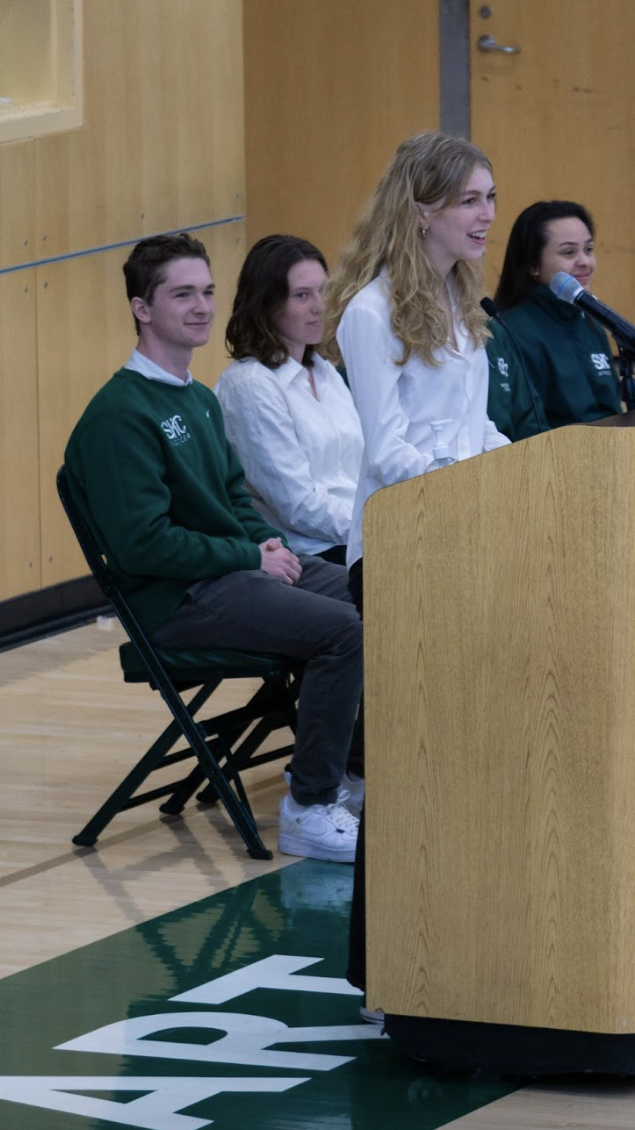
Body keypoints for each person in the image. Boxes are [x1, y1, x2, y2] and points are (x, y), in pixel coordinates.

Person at [64, 233, 362, 863]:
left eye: (206, 292)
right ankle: (310, 807)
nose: (200, 306)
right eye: (181, 294)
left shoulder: (197, 399)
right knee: (341, 629)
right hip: (177, 602)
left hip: (233, 577)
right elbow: (143, 546)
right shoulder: (120, 414)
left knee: (375, 591)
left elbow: (235, 501)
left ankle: (349, 774)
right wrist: (249, 557)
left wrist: (266, 546)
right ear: (143, 308)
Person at [321, 131, 511, 994]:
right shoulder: (370, 312)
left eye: (490, 197)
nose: (487, 215)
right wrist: (473, 478)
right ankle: (384, 966)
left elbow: (469, 428)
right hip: (403, 550)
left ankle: (462, 944)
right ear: (424, 208)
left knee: (465, 756)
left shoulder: (460, 300)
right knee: (409, 767)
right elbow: (388, 451)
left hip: (464, 535)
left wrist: (529, 463)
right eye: (471, 199)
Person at [215, 235, 364, 567]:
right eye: (302, 296)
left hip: (356, 537)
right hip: (308, 554)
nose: (319, 306)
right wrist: (376, 527)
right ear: (266, 304)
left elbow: (358, 473)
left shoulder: (325, 372)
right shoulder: (250, 385)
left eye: (323, 291)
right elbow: (297, 506)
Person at [492, 200, 622, 436]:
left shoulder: (592, 324)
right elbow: (529, 427)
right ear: (533, 265)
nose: (585, 261)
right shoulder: (513, 332)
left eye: (589, 249)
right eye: (569, 252)